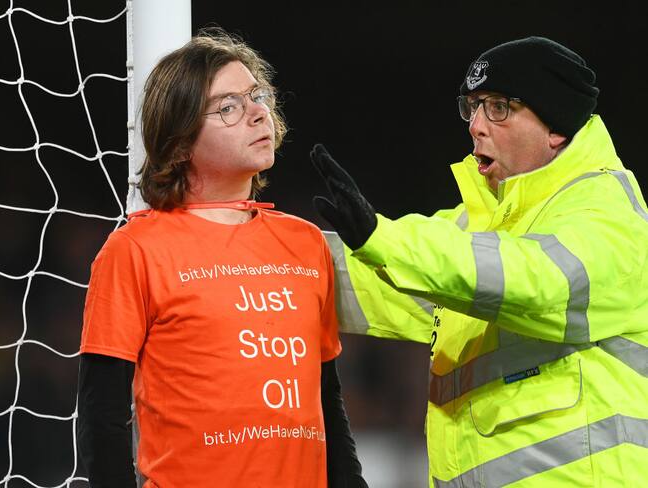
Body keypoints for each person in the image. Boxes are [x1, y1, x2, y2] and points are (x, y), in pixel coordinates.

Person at [311, 36, 648, 486]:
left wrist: (382, 238)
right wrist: (265, 256)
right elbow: (376, 285)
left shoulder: (608, 208)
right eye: (472, 107)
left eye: (499, 107)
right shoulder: (480, 229)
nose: (475, 125)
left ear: (557, 127)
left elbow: (538, 281)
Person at [77, 28, 367, 488]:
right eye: (229, 107)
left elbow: (326, 396)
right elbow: (102, 415)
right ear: (180, 141)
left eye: (258, 96)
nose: (258, 113)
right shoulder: (134, 249)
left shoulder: (306, 242)